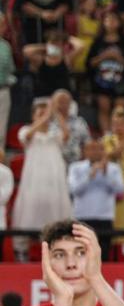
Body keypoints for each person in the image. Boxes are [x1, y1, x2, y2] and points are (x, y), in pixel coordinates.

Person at [12, 103, 72, 261]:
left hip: (54, 186)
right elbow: (28, 136)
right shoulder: (26, 131)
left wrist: (57, 114)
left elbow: (67, 135)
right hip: (33, 185)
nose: (44, 117)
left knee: (56, 221)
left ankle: (58, 255)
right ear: (33, 116)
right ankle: (21, 253)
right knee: (28, 216)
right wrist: (44, 116)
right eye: (39, 114)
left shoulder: (55, 135)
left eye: (46, 114)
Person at [68, 139, 124, 259]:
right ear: (85, 151)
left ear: (103, 151)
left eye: (98, 148)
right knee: (81, 256)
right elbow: (74, 190)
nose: (95, 152)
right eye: (91, 148)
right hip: (82, 218)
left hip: (105, 218)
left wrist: (106, 174)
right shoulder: (75, 168)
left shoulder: (113, 168)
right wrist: (90, 175)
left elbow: (121, 190)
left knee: (103, 257)